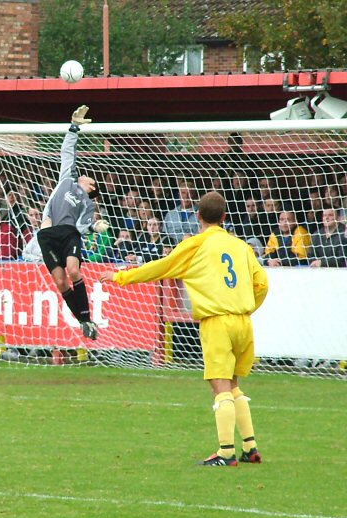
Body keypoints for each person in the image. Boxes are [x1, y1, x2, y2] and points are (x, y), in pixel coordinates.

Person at [100, 192, 268, 467]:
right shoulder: (241, 246)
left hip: (217, 322)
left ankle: (226, 452)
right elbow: (262, 284)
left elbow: (161, 267)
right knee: (235, 384)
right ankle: (250, 447)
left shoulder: (195, 244)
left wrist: (121, 276)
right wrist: (246, 307)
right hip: (243, 322)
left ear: (198, 217)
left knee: (220, 386)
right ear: (225, 217)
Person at [36, 106, 107, 340]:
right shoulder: (66, 179)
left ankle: (86, 319)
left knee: (74, 270)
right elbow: (67, 152)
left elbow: (83, 226)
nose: (85, 175)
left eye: (90, 179)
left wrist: (94, 227)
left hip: (68, 235)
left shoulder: (88, 203)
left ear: (92, 187)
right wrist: (73, 127)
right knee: (60, 281)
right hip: (48, 235)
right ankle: (85, 321)